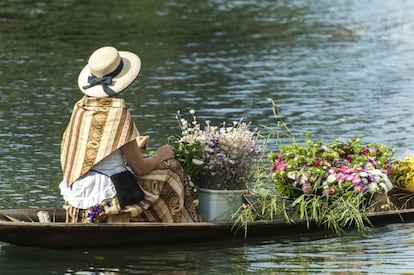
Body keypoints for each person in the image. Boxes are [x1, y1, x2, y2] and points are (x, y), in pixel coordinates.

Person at [59, 46, 196, 223]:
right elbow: (140, 168)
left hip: (77, 193)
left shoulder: (80, 109)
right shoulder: (119, 114)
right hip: (108, 193)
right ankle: (175, 226)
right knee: (172, 168)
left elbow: (92, 154)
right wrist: (161, 155)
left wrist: (133, 146)